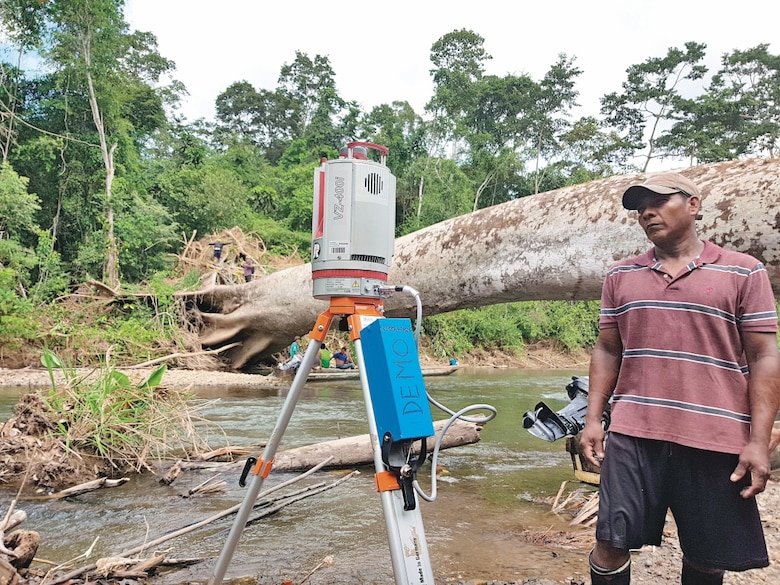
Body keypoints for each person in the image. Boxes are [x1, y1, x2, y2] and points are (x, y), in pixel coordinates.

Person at [579, 171, 780, 585]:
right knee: (611, 542)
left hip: (715, 435)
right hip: (634, 432)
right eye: (639, 207)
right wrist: (593, 420)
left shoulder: (744, 272)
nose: (647, 212)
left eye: (659, 201)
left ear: (693, 204)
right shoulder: (620, 276)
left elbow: (763, 358)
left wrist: (759, 442)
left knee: (707, 557)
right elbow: (607, 349)